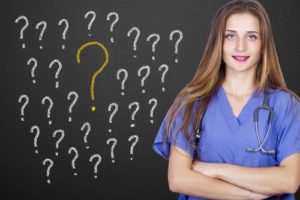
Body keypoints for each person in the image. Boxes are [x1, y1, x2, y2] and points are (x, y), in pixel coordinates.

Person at [152, 0, 300, 199]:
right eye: (230, 36)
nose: (241, 46)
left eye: (252, 37)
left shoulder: (285, 105)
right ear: (218, 42)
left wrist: (217, 170)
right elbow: (178, 179)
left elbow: (289, 180)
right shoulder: (192, 102)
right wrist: (249, 195)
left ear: (263, 44)